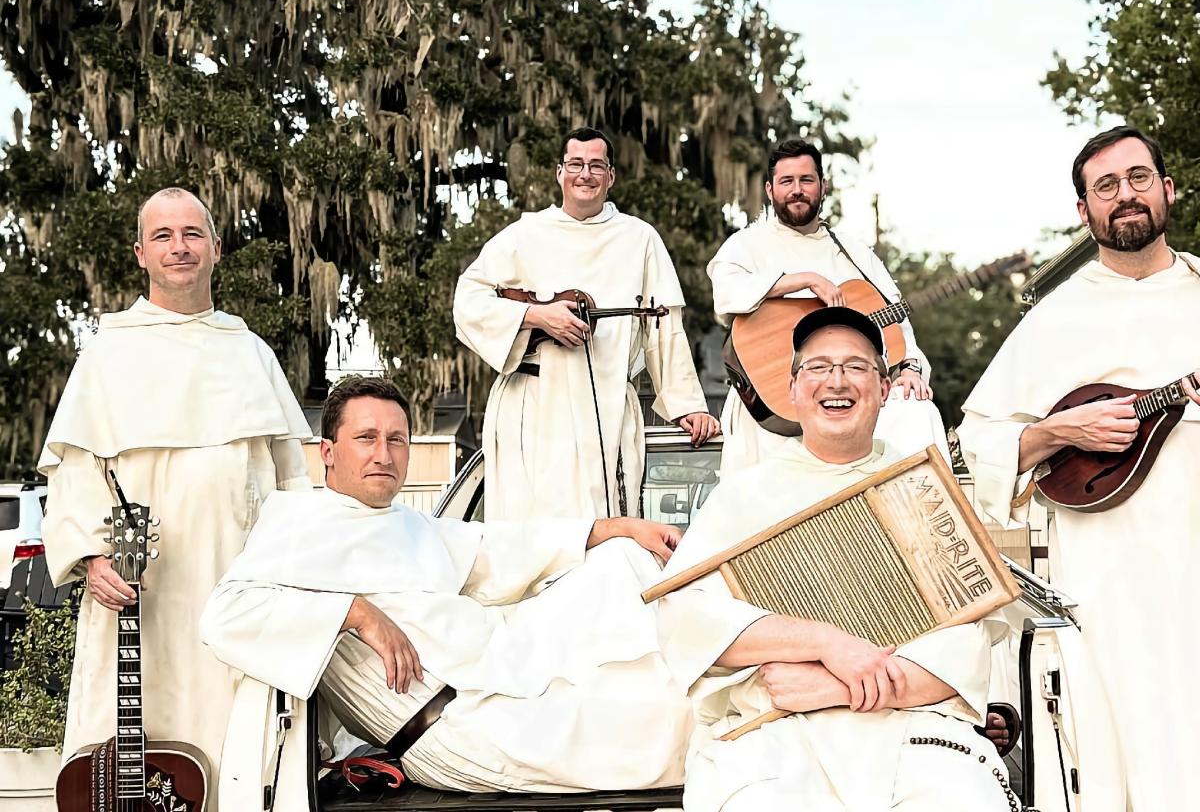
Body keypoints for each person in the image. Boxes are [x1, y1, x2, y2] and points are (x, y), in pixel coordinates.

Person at [958, 126, 1200, 812]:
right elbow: (977, 443)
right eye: (1105, 186)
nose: (1124, 196)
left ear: (1167, 189)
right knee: (1112, 751)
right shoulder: (1055, 318)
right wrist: (1058, 430)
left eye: (1137, 178)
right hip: (1104, 585)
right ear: (1084, 211)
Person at [201, 376, 693, 798]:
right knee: (672, 717)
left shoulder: (410, 523)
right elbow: (225, 615)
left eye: (397, 440)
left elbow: (500, 548)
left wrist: (620, 527)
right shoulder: (297, 521)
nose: (384, 454)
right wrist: (357, 613)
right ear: (327, 452)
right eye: (366, 438)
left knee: (624, 561)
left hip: (502, 677)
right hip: (458, 728)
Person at [656, 306, 1016, 811]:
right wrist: (825, 642)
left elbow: (968, 641)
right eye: (819, 367)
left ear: (885, 388)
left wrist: (834, 685)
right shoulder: (745, 495)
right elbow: (683, 618)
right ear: (795, 387)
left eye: (855, 366)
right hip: (777, 731)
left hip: (908, 727)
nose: (836, 381)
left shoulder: (924, 492)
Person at [38, 187, 312, 808]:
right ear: (140, 253)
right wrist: (90, 558)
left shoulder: (251, 352)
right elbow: (76, 471)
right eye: (163, 236)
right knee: (136, 753)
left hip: (239, 589)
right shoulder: (109, 352)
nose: (179, 247)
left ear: (216, 248)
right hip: (142, 596)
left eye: (192, 234)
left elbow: (293, 481)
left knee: (239, 749)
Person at [453, 126, 719, 521]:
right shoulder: (524, 235)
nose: (585, 174)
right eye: (576, 164)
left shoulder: (639, 238)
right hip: (533, 405)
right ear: (560, 173)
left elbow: (665, 327)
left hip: (608, 407)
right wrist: (536, 314)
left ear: (610, 177)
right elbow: (467, 300)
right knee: (532, 531)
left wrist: (687, 407)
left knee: (601, 529)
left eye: (597, 165)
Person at [708, 138, 945, 478]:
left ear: (822, 185)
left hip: (846, 400)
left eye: (806, 180)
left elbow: (896, 320)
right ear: (769, 189)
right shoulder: (747, 244)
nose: (796, 190)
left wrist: (909, 368)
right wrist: (803, 280)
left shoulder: (854, 253)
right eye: (786, 182)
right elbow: (727, 293)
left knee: (918, 413)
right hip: (770, 403)